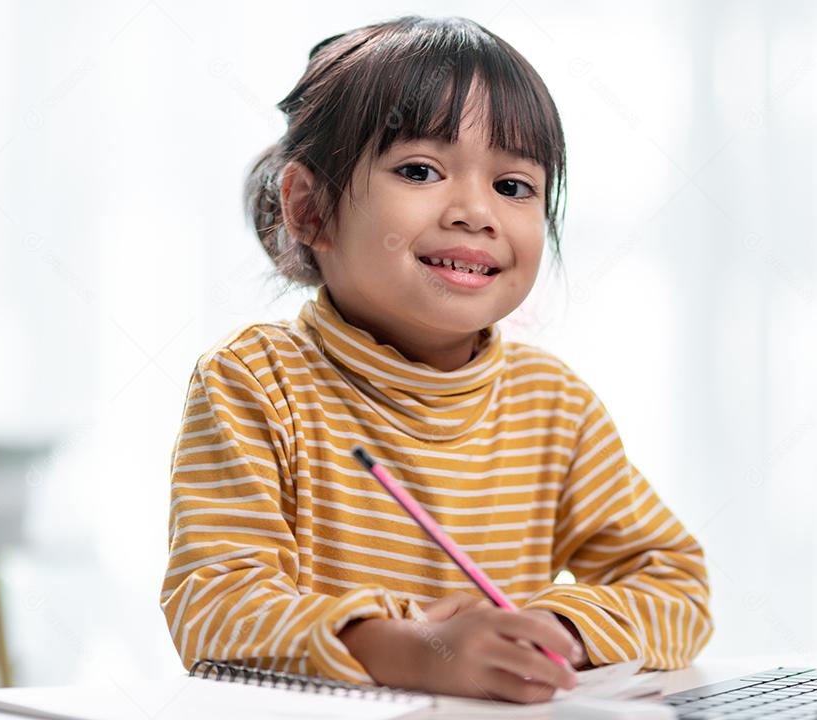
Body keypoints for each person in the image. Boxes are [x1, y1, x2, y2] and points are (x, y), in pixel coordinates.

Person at [159, 15, 712, 704]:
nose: (476, 212)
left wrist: (561, 628)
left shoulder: (554, 406)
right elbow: (214, 607)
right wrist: (412, 650)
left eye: (514, 186)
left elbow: (677, 585)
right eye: (419, 171)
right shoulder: (254, 381)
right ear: (309, 210)